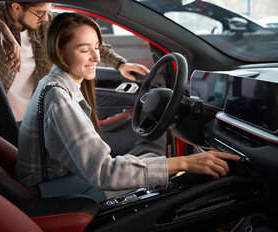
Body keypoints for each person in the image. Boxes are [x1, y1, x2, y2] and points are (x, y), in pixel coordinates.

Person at [16, 12, 240, 199]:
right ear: (60, 51)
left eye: (97, 47)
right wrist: (185, 163)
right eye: (84, 50)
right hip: (53, 196)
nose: (96, 57)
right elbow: (105, 173)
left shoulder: (55, 84)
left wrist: (180, 164)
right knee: (176, 176)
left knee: (156, 164)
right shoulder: (59, 99)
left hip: (62, 184)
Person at [0, 2, 149, 124]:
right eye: (40, 13)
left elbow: (87, 43)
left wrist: (120, 65)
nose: (45, 17)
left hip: (35, 114)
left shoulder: (49, 23)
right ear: (17, 7)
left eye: (48, 9)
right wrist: (3, 31)